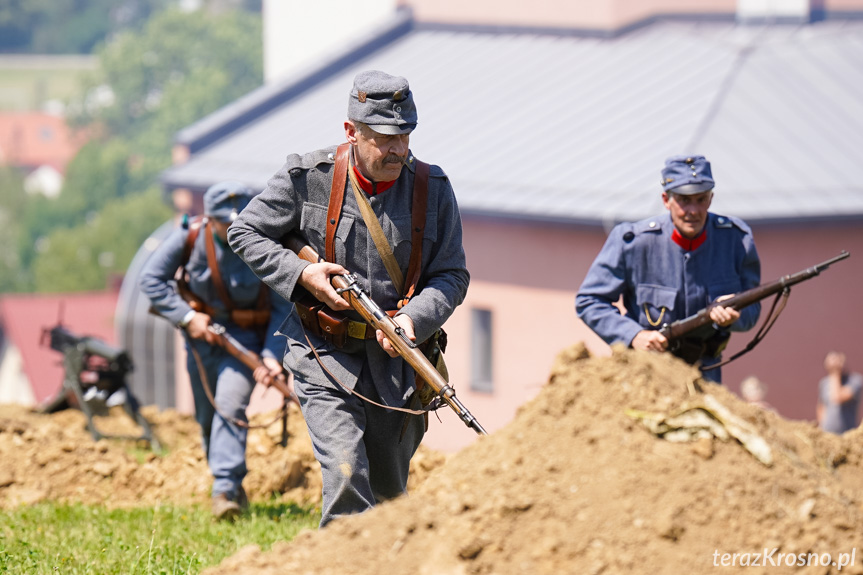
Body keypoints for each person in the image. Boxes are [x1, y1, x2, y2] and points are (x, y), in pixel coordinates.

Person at [227, 70, 470, 527]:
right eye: (383, 137)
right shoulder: (307, 177)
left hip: (397, 364)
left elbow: (452, 274)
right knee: (345, 474)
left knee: (389, 495)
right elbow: (245, 231)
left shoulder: (432, 189)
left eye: (405, 134)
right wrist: (304, 275)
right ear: (351, 132)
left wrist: (415, 319)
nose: (397, 148)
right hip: (323, 354)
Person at [139, 181, 292, 520]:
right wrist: (188, 317)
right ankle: (232, 486)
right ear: (210, 219)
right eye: (226, 223)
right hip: (202, 337)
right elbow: (151, 279)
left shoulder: (269, 243)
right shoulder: (190, 236)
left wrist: (271, 354)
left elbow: (285, 303)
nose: (234, 228)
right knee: (208, 417)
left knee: (229, 404)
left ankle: (223, 487)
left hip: (250, 339)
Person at [575, 155, 761, 383]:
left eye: (701, 199)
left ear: (711, 199)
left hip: (706, 376)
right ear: (666, 200)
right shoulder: (633, 242)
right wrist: (633, 335)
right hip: (645, 374)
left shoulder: (735, 240)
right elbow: (589, 301)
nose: (693, 210)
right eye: (684, 200)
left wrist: (735, 315)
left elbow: (753, 310)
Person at [816, 351, 862, 434]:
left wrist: (835, 373)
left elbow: (837, 398)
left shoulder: (855, 380)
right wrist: (821, 427)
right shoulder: (824, 383)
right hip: (828, 434)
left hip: (847, 434)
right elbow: (821, 407)